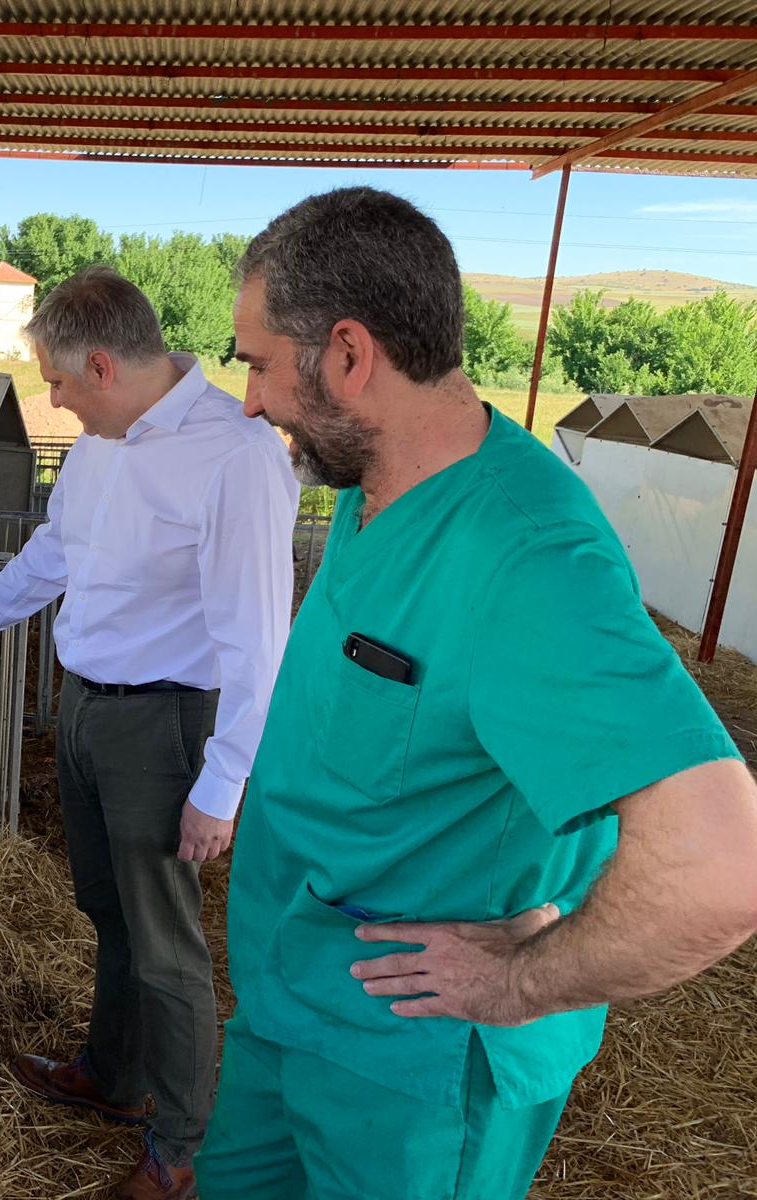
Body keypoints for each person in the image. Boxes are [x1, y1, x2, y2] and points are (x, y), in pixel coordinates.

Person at [194, 186, 757, 1200]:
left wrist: (516, 980)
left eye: (261, 366)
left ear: (350, 355)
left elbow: (721, 864)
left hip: (409, 1065)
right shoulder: (379, 487)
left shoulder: (525, 556)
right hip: (294, 1003)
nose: (250, 401)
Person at [0, 265, 298, 1199]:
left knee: (168, 943)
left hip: (168, 723)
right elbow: (56, 552)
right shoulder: (99, 443)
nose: (51, 399)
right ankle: (115, 1075)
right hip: (86, 705)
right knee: (107, 908)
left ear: (100, 363)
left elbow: (257, 638)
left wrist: (222, 787)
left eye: (56, 381)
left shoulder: (234, 456)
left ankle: (180, 1148)